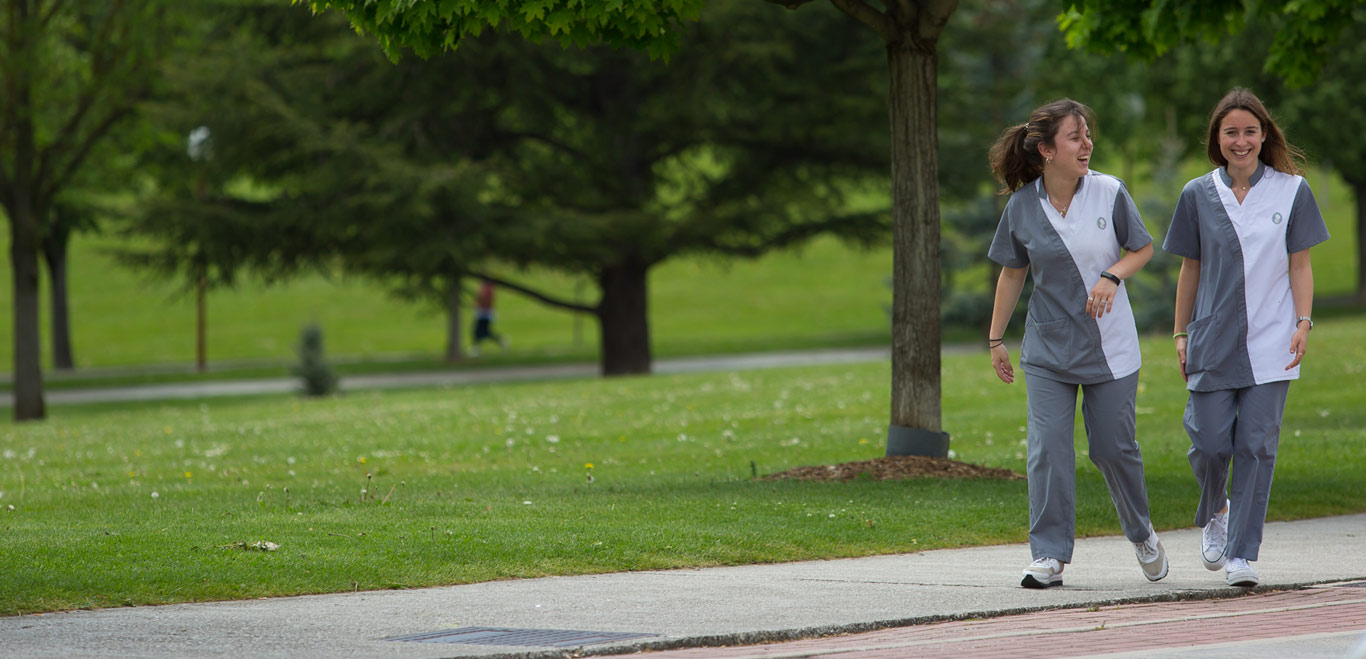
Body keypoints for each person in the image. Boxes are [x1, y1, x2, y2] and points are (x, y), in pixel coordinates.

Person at [985, 98, 1166, 589]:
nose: (1087, 145)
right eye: (1074, 137)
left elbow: (1142, 247)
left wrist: (1113, 275)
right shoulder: (1022, 207)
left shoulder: (1109, 192)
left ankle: (1142, 532)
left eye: (1087, 135)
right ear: (1046, 150)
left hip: (1111, 347)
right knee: (1047, 450)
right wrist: (997, 338)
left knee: (1112, 448)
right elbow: (1012, 272)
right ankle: (1048, 556)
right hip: (1047, 350)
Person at [1163, 88, 1329, 588]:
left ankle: (1241, 552)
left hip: (1274, 339)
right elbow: (1190, 269)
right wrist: (1180, 330)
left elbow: (1300, 264)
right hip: (1212, 338)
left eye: (1250, 131)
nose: (1241, 141)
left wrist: (1303, 322)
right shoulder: (1196, 193)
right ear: (1217, 138)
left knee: (1256, 446)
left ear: (1264, 135)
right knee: (1210, 444)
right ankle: (1216, 508)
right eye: (1231, 132)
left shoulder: (1292, 190)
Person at [469, 278, 508, 356]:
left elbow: (484, 300)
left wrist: (477, 303)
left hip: (484, 313)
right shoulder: (487, 288)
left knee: (480, 332)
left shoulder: (487, 289)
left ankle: (475, 349)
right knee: (483, 332)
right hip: (483, 313)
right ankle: (500, 341)